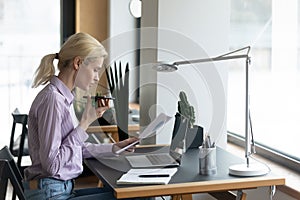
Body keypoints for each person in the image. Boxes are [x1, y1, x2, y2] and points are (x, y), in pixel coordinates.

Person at [23, 32, 138, 200]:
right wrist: (84, 123)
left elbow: (74, 148)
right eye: (95, 70)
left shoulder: (62, 98)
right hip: (51, 194)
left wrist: (115, 147)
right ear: (78, 63)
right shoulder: (53, 100)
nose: (97, 77)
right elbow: (52, 166)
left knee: (128, 195)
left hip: (59, 190)